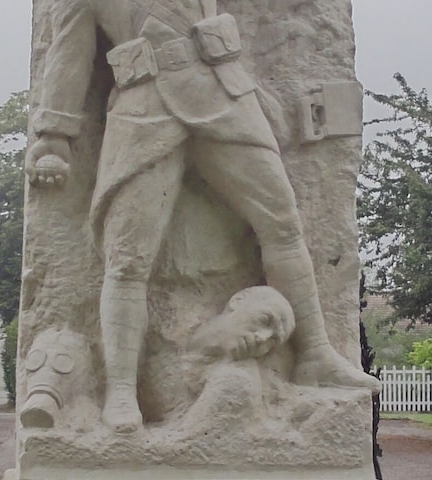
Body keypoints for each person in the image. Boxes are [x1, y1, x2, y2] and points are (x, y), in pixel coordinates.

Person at [27, 0, 378, 434]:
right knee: (128, 260)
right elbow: (69, 50)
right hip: (143, 107)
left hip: (220, 92)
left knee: (284, 225)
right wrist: (53, 136)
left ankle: (316, 354)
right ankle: (120, 391)